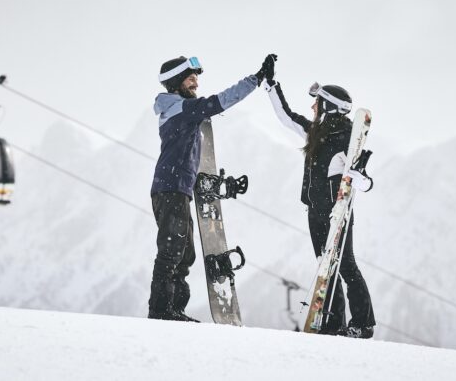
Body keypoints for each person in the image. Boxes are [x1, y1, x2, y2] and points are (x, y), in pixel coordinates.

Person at [148, 54, 275, 322]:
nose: (196, 82)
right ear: (175, 82)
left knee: (185, 254)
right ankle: (160, 311)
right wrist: (255, 79)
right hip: (171, 188)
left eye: (196, 78)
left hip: (177, 188)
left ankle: (174, 309)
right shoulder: (182, 109)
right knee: (171, 250)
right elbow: (221, 101)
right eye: (190, 78)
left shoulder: (180, 109)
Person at [263, 57, 376, 338]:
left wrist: (359, 177)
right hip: (315, 211)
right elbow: (286, 117)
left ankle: (363, 325)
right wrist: (271, 85)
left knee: (345, 265)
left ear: (327, 106)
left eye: (317, 102)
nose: (313, 107)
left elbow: (366, 184)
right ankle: (334, 324)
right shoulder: (315, 134)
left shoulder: (348, 138)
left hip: (338, 212)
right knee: (326, 270)